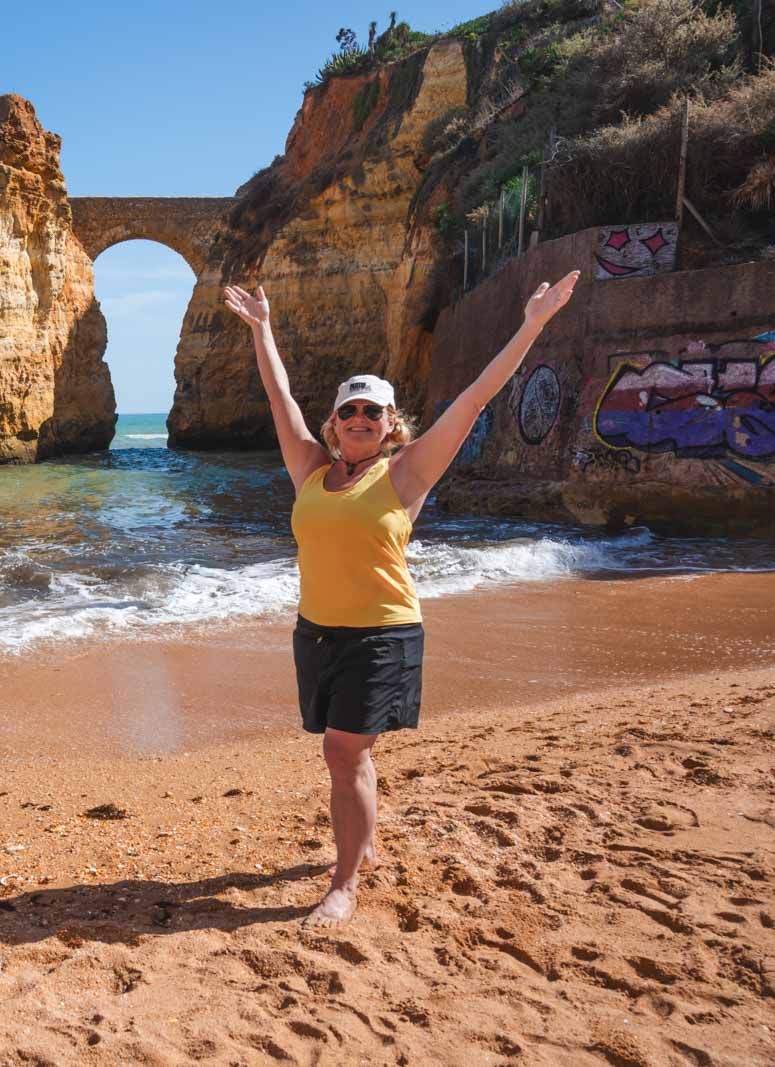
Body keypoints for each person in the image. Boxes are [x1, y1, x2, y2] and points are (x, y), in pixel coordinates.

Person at [222, 270, 580, 927]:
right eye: (349, 410)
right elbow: (278, 396)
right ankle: (365, 841)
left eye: (372, 412)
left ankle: (344, 883)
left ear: (391, 426)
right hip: (320, 632)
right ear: (333, 424)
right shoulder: (308, 467)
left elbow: (475, 400)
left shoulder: (407, 470)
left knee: (342, 750)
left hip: (384, 633)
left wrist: (532, 324)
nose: (359, 418)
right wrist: (262, 329)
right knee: (351, 752)